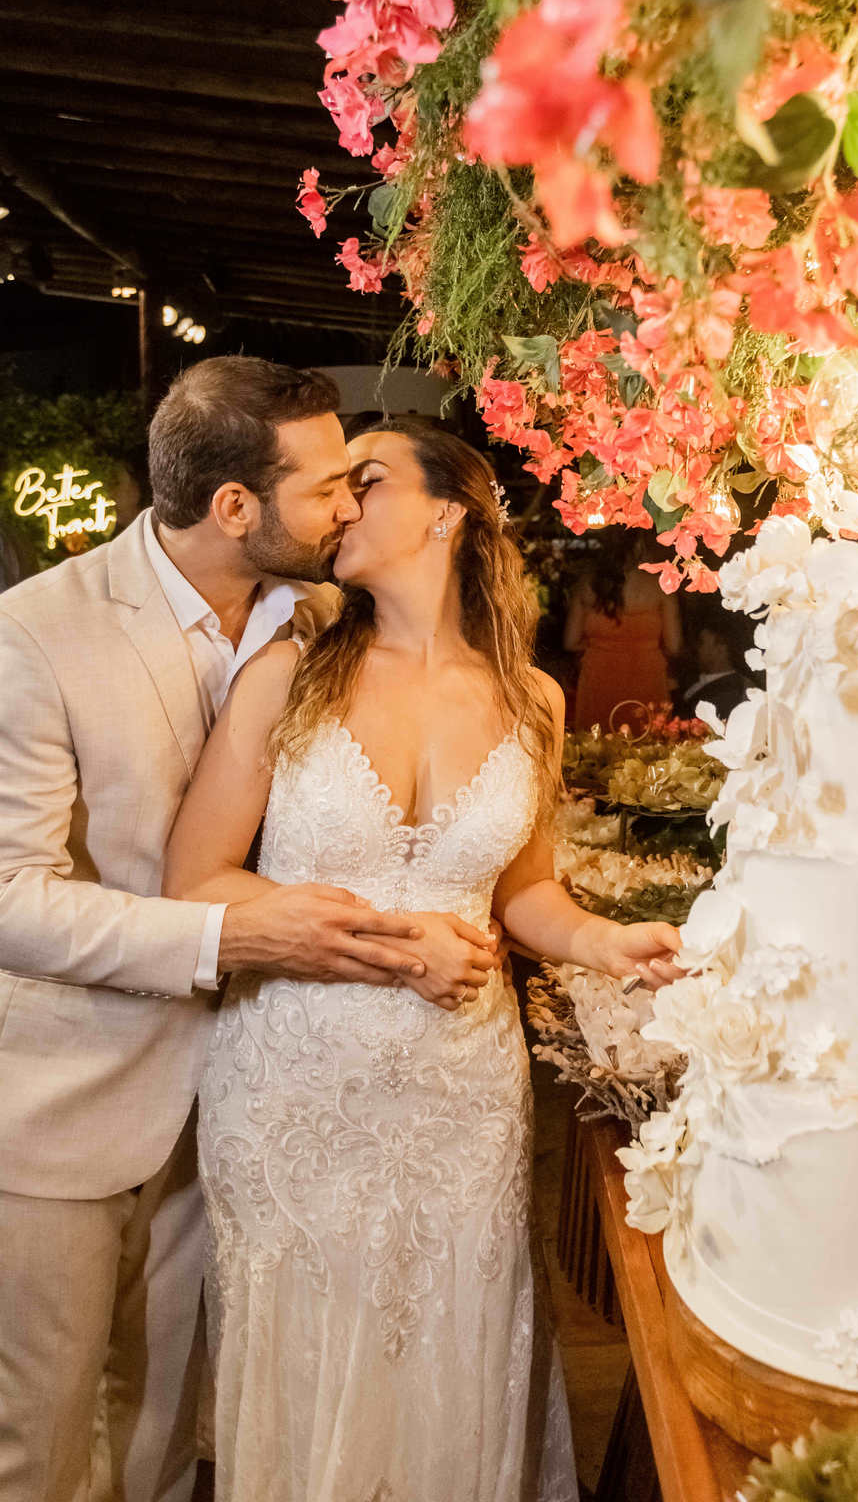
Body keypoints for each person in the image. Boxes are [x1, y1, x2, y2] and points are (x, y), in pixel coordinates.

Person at [165, 416, 682, 1502]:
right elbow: (198, 880)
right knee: (308, 1347)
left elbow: (524, 891)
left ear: (449, 510)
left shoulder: (535, 702)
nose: (342, 505)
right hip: (294, 1084)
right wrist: (398, 946)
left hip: (462, 1097)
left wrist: (604, 941)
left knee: (454, 1334)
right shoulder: (290, 674)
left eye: (369, 481)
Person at [0, 358, 483, 1502]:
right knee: (42, 1440)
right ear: (235, 508)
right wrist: (235, 941)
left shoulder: (316, 614)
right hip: (62, 1104)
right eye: (326, 488)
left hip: (240, 1101)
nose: (347, 508)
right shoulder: (36, 634)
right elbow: (10, 899)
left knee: (173, 1427)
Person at [563, 528, 681, 730]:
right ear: (639, 547)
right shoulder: (661, 586)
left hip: (598, 678)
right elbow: (674, 646)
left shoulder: (587, 585)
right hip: (647, 675)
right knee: (647, 746)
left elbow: (570, 642)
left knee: (597, 750)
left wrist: (602, 646)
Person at [679, 616, 756, 722]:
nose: (697, 649)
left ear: (721, 648)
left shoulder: (732, 690)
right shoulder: (695, 680)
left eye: (701, 643)